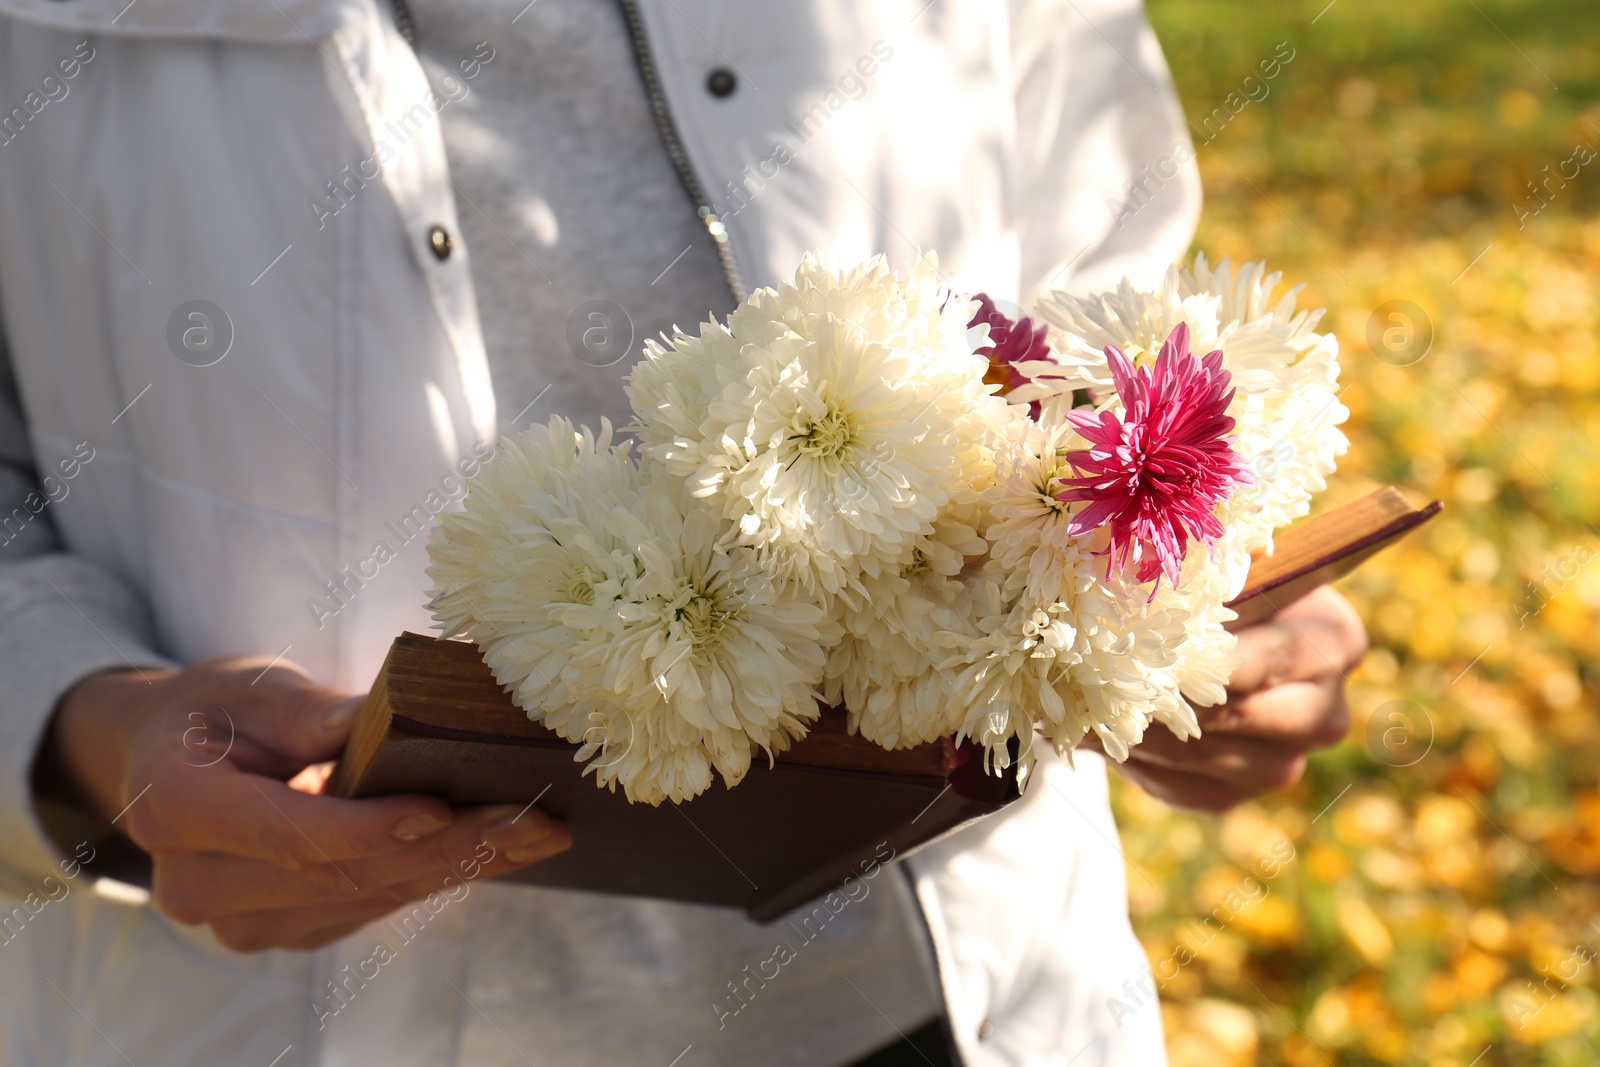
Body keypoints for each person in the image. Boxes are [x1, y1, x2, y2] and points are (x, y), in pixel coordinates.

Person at [0, 1, 1366, 1064]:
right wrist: (81, 731)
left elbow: (1107, 286)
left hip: (958, 1002)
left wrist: (1189, 581)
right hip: (295, 1018)